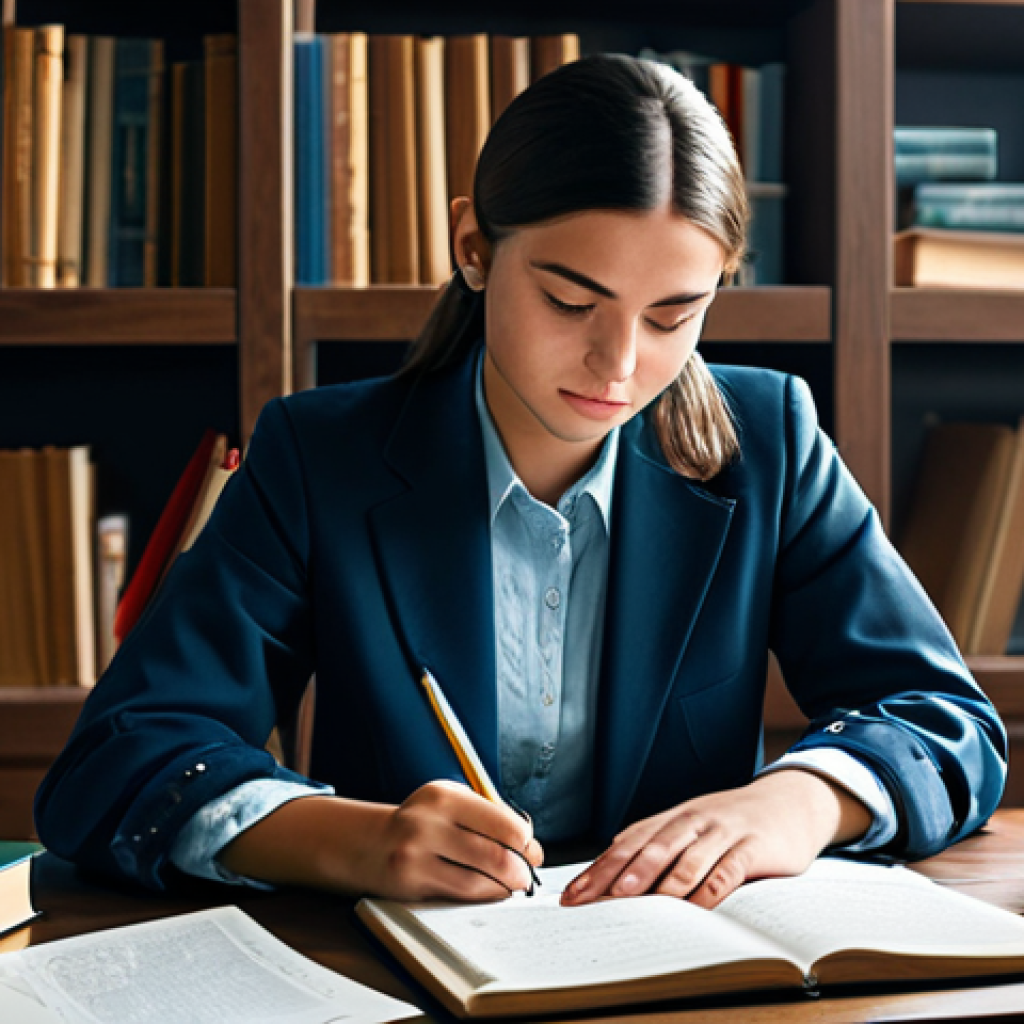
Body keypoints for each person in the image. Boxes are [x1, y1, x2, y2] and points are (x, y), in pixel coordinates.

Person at [36, 54, 1005, 909]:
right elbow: (117, 762)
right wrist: (352, 841)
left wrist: (797, 802)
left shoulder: (772, 442)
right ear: (472, 246)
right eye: (569, 299)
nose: (618, 364)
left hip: (686, 979)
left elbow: (946, 720)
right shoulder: (317, 456)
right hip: (402, 976)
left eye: (673, 316)